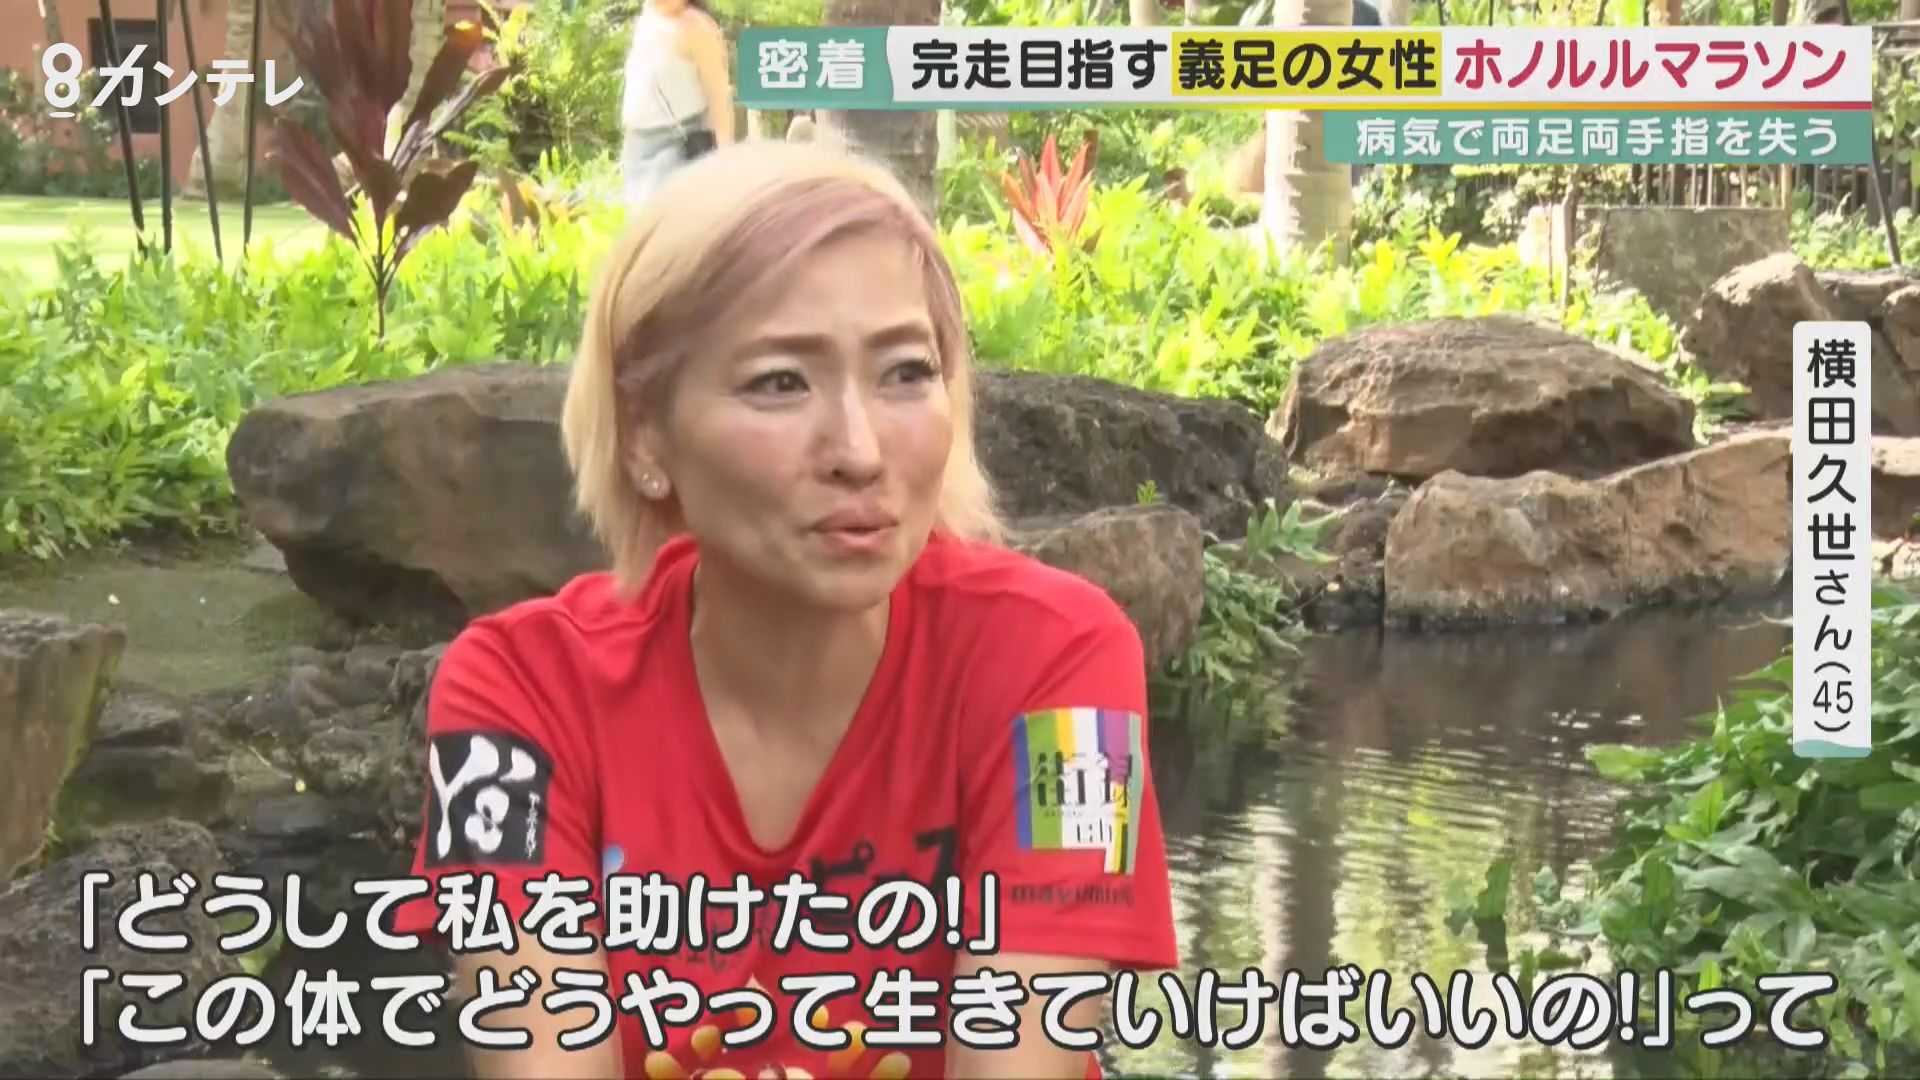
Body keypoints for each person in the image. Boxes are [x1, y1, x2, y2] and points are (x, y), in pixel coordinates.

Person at [391, 140, 1179, 1079]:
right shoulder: (506, 699)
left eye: (906, 372)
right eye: (779, 382)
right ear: (644, 435)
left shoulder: (1071, 667)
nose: (859, 451)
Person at [619, 0, 734, 211]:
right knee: (639, 222)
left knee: (660, 221)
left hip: (675, 144)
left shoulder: (696, 28)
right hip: (637, 145)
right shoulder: (648, 14)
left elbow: (718, 96)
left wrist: (724, 159)